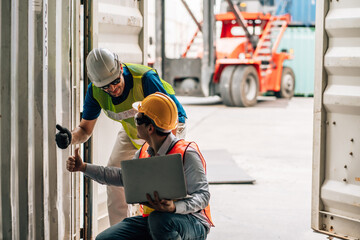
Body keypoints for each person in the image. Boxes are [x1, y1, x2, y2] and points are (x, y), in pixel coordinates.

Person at [55, 48, 187, 225]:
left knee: (163, 185)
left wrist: (161, 156)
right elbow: (85, 131)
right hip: (135, 131)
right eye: (106, 86)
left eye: (116, 81)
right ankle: (121, 232)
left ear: (120, 67)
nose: (113, 89)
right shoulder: (95, 92)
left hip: (165, 130)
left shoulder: (145, 79)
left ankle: (171, 227)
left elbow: (173, 117)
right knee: (115, 179)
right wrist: (70, 137)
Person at [66, 92, 214, 240]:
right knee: (105, 238)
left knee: (159, 220)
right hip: (155, 220)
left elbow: (203, 196)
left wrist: (174, 207)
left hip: (191, 222)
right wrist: (83, 167)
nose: (133, 122)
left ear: (150, 128)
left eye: (137, 119)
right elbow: (121, 177)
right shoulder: (143, 152)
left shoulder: (187, 154)